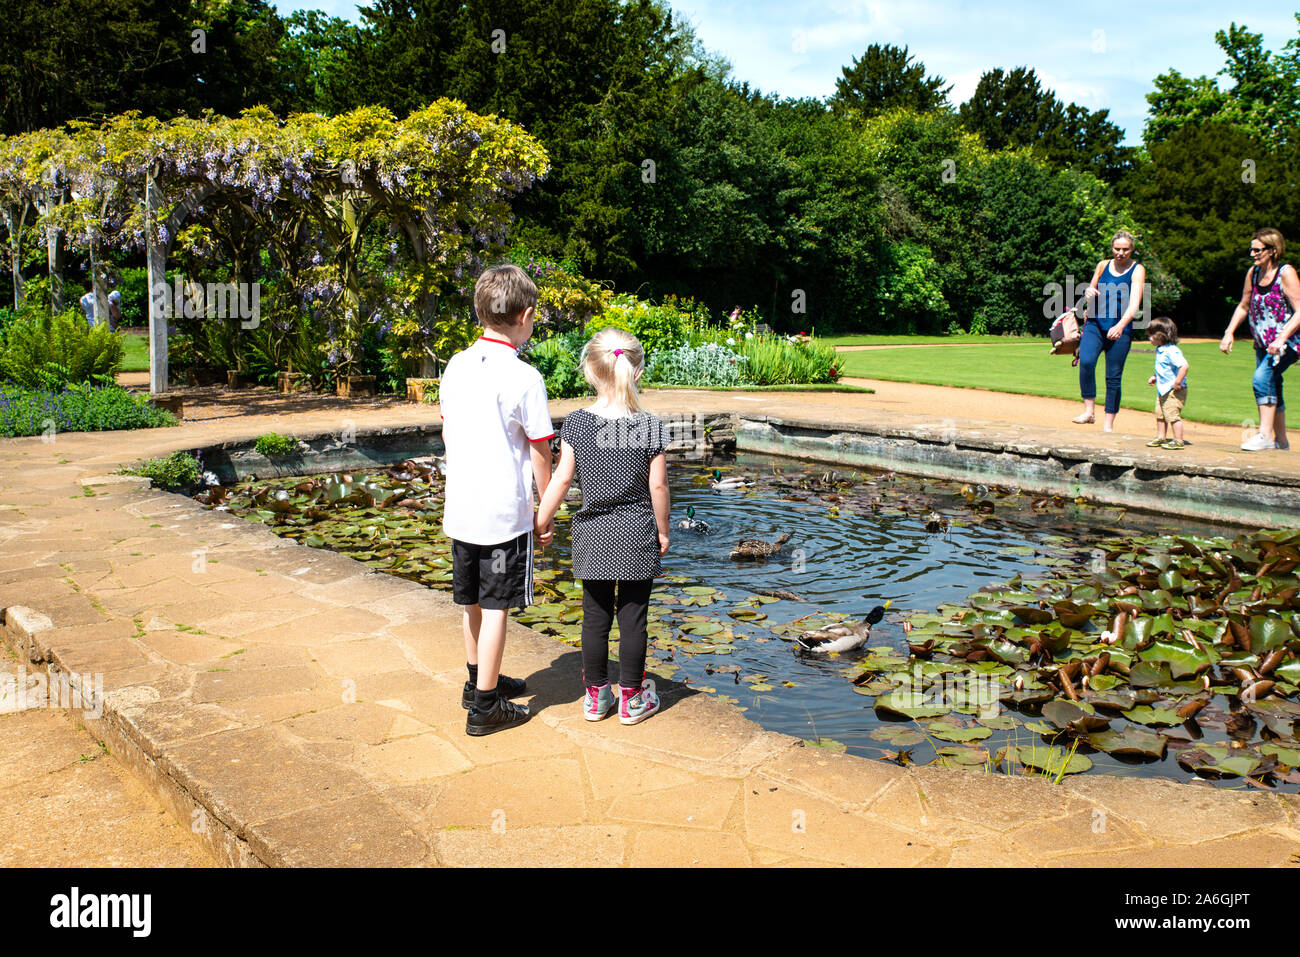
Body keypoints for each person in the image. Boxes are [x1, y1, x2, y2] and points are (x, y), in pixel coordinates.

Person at [535, 328, 671, 726]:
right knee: (634, 618)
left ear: (590, 373)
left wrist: (541, 520)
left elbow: (560, 480)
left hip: (592, 537)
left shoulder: (577, 423)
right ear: (638, 371)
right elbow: (658, 486)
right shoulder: (649, 426)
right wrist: (663, 531)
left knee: (594, 617)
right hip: (636, 535)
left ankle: (596, 697)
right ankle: (631, 698)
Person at [439, 264, 554, 735]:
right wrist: (544, 510)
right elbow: (541, 451)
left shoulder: (455, 365)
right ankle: (485, 706)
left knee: (470, 603)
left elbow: (448, 431)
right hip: (505, 517)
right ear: (525, 315)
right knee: (495, 608)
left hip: (461, 508)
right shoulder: (525, 377)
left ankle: (476, 682)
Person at [1221, 227, 1300, 451]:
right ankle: (1282, 441)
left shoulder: (1286, 273)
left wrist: (1282, 337)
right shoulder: (1253, 273)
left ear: (1272, 250)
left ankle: (1265, 435)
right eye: (1251, 249)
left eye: (1257, 250)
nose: (1252, 254)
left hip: (1288, 341)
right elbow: (1244, 305)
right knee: (1273, 383)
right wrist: (1229, 332)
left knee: (1261, 378)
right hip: (1263, 342)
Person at [1073, 230, 1147, 432]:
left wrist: (1120, 325)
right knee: (1086, 363)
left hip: (1120, 328)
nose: (1121, 253)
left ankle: (1108, 425)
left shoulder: (1137, 269)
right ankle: (1089, 412)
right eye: (1117, 248)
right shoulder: (1102, 265)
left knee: (1113, 376)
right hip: (1094, 324)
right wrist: (1088, 291)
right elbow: (1090, 290)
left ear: (1132, 250)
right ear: (1112, 248)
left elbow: (1134, 306)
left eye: (1125, 249)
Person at [1145, 317, 1189, 450]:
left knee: (1172, 414)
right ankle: (1161, 436)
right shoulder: (1160, 349)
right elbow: (1164, 368)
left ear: (1161, 336)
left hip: (1174, 389)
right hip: (1163, 389)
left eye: (1151, 336)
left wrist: (1177, 382)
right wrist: (1155, 377)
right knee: (1160, 413)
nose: (1149, 339)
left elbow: (1184, 366)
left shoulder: (1171, 350)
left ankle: (1178, 440)